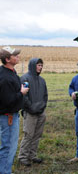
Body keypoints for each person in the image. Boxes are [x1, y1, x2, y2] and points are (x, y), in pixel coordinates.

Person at [0, 46, 29, 174]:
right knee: (8, 148)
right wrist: (21, 93)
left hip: (9, 116)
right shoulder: (5, 77)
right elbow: (8, 100)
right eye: (15, 55)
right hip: (8, 117)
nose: (18, 56)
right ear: (7, 59)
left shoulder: (9, 72)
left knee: (8, 147)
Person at [18, 58, 48, 166]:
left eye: (41, 65)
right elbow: (24, 97)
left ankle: (32, 155)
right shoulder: (25, 79)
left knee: (37, 135)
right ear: (33, 65)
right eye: (38, 65)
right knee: (28, 135)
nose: (40, 67)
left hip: (41, 113)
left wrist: (42, 107)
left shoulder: (42, 80)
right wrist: (31, 108)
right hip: (30, 113)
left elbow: (45, 96)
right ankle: (23, 157)